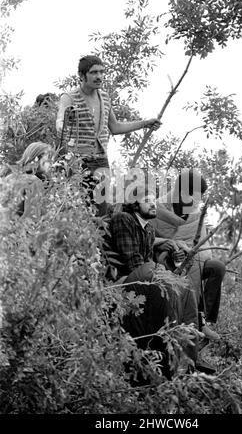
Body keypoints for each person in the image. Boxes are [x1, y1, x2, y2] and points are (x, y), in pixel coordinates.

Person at [107, 186, 216, 380]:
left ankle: (190, 358)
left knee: (185, 287)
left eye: (153, 200)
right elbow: (133, 261)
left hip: (145, 274)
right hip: (125, 278)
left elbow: (150, 258)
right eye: (146, 200)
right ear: (134, 204)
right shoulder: (124, 219)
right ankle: (169, 352)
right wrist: (162, 275)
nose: (153, 204)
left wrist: (170, 261)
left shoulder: (148, 229)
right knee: (166, 283)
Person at [56, 55, 161, 214]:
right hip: (78, 160)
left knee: (101, 212)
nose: (99, 76)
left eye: (101, 72)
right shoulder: (69, 97)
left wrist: (145, 123)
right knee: (77, 208)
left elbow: (115, 127)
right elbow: (60, 122)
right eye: (94, 72)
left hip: (100, 161)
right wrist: (63, 123)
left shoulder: (104, 97)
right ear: (82, 75)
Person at [151, 169, 226, 342]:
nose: (197, 202)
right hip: (165, 261)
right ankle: (189, 323)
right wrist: (169, 245)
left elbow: (203, 246)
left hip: (193, 260)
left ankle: (202, 320)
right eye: (194, 197)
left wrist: (189, 251)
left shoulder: (194, 215)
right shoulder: (157, 208)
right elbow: (148, 237)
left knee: (217, 267)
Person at [0, 142, 54, 222]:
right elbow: (31, 218)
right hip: (19, 231)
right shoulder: (34, 182)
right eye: (47, 161)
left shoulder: (9, 177)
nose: (51, 165)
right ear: (37, 160)